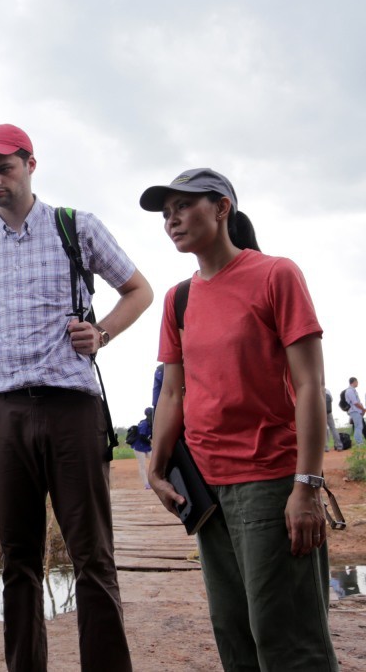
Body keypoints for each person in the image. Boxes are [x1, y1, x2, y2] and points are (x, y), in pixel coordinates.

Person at [0, 124, 149, 672]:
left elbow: (139, 290)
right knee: (18, 559)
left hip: (71, 407)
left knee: (92, 554)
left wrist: (102, 332)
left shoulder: (75, 227)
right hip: (6, 412)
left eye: (4, 168)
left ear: (31, 165)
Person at [141, 167, 337, 671]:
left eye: (183, 206)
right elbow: (173, 392)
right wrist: (156, 470)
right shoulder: (178, 298)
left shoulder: (276, 275)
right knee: (234, 633)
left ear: (222, 207)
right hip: (207, 491)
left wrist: (306, 486)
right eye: (166, 213)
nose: (172, 220)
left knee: (287, 638)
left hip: (270, 482)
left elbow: (310, 385)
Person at [130, 408, 153, 489]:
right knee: (142, 465)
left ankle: (153, 481)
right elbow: (142, 436)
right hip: (138, 447)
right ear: (148, 414)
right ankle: (146, 484)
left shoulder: (151, 423)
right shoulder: (144, 423)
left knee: (154, 461)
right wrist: (150, 441)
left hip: (146, 446)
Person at [346, 378, 364, 445]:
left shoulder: (353, 390)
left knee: (359, 426)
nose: (357, 383)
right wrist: (363, 409)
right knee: (358, 427)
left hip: (356, 410)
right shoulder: (350, 391)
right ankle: (359, 443)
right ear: (354, 382)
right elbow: (355, 402)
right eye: (357, 382)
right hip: (354, 410)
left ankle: (359, 442)